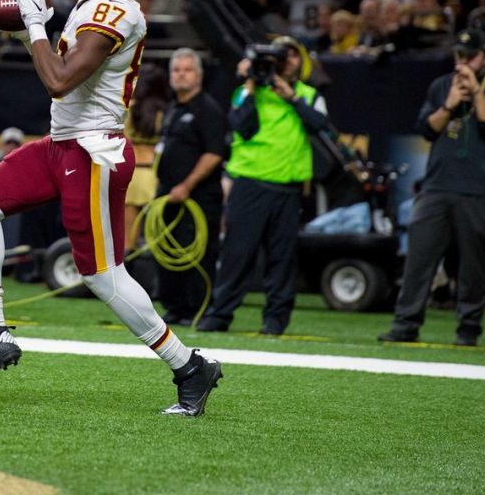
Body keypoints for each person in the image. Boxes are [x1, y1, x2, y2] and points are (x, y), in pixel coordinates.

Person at [0, 0, 222, 417]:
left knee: (101, 275)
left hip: (93, 151)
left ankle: (190, 366)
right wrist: (34, 32)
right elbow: (59, 73)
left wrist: (34, 28)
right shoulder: (91, 9)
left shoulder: (118, 10)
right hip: (62, 145)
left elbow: (61, 81)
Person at [380, 30, 485, 347]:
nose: (463, 63)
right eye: (459, 56)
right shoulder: (441, 86)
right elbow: (427, 129)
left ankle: (468, 329)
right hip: (438, 185)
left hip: (481, 190)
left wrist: (476, 91)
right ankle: (405, 325)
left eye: (470, 57)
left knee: (473, 263)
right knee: (420, 256)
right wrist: (451, 103)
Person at [197, 38, 331, 336]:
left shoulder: (308, 94)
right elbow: (240, 126)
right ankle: (219, 316)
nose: (287, 61)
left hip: (287, 188)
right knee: (237, 255)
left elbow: (320, 126)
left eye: (293, 55)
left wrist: (291, 97)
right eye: (282, 57)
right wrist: (250, 84)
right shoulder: (246, 91)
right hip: (249, 185)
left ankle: (275, 322)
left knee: (282, 260)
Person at [154, 49, 226, 326]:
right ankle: (175, 307)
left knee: (195, 254)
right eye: (176, 70)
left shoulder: (208, 109)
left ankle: (197, 308)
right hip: (167, 195)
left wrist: (186, 185)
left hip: (197, 197)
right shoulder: (173, 108)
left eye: (187, 70)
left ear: (199, 75)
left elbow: (213, 153)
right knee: (167, 251)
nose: (181, 74)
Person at [123, 62, 169, 250]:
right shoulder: (166, 113)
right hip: (155, 175)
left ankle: (129, 273)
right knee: (156, 236)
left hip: (132, 175)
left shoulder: (128, 110)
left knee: (128, 241)